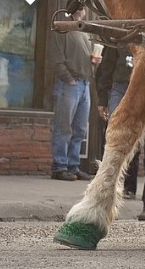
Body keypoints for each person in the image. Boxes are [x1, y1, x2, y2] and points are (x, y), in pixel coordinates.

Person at [96, 44, 145, 221]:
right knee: (114, 145)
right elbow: (108, 63)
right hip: (122, 85)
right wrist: (103, 97)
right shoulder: (120, 28)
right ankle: (102, 200)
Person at [49, 10, 97, 181]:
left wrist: (94, 62)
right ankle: (59, 167)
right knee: (64, 127)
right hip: (69, 84)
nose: (80, 11)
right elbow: (56, 59)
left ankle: (73, 166)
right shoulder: (62, 29)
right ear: (69, 10)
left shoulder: (84, 32)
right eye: (76, 7)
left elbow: (90, 57)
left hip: (84, 83)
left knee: (80, 128)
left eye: (82, 8)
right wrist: (69, 79)